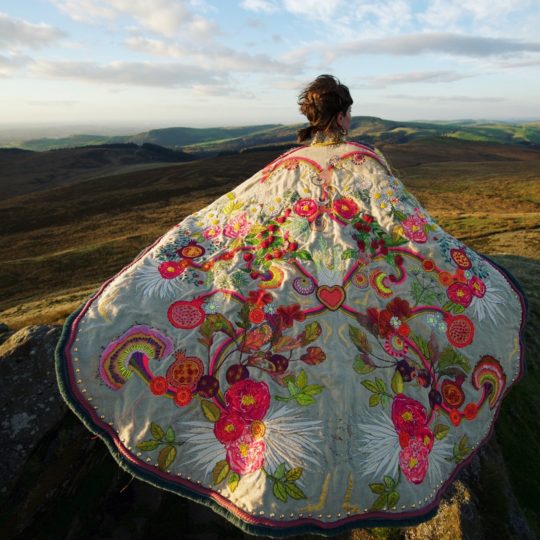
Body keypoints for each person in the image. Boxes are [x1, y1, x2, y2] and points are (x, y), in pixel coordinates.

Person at [56, 74, 527, 537]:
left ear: (312, 116)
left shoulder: (284, 166)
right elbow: (409, 227)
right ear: (343, 116)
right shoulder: (367, 162)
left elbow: (232, 220)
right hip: (358, 292)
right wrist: (457, 269)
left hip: (294, 289)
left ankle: (265, 473)